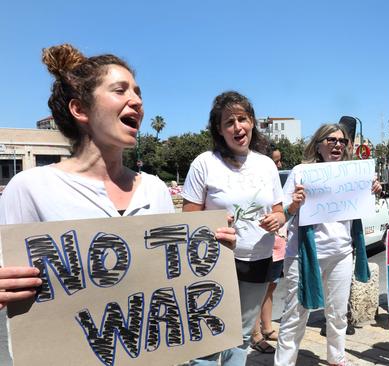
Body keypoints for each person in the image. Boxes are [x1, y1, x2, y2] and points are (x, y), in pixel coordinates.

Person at [0, 44, 236, 309]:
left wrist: (212, 251)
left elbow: (169, 278)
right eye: (120, 90)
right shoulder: (30, 189)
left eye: (137, 93)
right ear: (80, 109)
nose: (137, 101)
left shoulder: (154, 189)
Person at [182, 91, 285, 366]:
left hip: (257, 260)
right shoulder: (204, 163)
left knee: (239, 338)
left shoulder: (266, 165)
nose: (237, 127)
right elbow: (188, 217)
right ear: (219, 129)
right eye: (229, 122)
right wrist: (213, 229)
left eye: (243, 119)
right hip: (214, 263)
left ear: (252, 122)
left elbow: (278, 209)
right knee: (208, 339)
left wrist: (278, 218)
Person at [274, 123, 381, 366]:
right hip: (303, 257)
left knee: (338, 313)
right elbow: (282, 213)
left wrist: (371, 189)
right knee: (295, 315)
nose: (337, 145)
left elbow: (360, 207)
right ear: (319, 144)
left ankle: (337, 358)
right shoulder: (302, 172)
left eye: (342, 141)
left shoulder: (353, 173)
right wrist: (294, 205)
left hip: (341, 253)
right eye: (331, 140)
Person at [250, 146, 287, 354]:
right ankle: (254, 335)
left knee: (271, 286)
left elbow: (280, 210)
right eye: (275, 160)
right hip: (260, 244)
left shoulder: (274, 182)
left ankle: (267, 327)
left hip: (277, 242)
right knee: (256, 290)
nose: (279, 165)